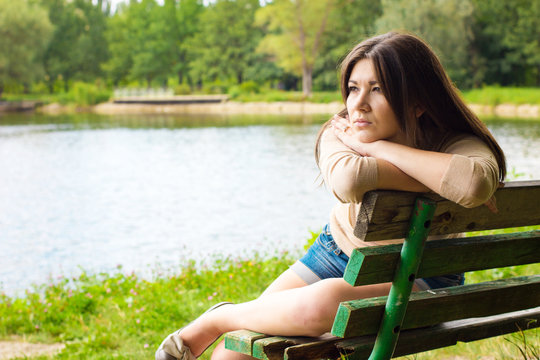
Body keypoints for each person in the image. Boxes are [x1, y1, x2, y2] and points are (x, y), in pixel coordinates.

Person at [155, 31, 506, 360]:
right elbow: (350, 180)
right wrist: (438, 179)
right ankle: (229, 322)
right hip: (333, 254)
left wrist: (376, 148)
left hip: (421, 278)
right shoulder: (339, 132)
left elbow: (472, 184)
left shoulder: (451, 141)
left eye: (378, 89)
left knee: (324, 304)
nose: (359, 105)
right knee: (237, 352)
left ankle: (219, 318)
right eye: (353, 88)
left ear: (417, 104)